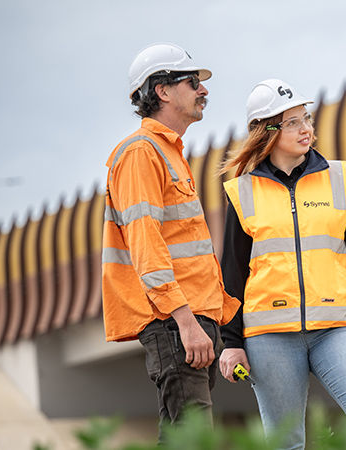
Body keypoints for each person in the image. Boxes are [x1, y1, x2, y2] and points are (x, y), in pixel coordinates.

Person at [218, 78, 346, 449]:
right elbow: (233, 273)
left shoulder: (339, 179)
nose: (306, 129)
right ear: (268, 131)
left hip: (336, 327)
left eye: (306, 118)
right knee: (285, 443)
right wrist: (231, 342)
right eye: (292, 122)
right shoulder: (243, 192)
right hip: (269, 335)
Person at [101, 42, 240, 442]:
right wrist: (185, 322)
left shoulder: (169, 154)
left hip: (191, 316)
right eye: (193, 82)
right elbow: (146, 245)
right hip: (175, 319)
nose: (204, 90)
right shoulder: (141, 154)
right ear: (161, 90)